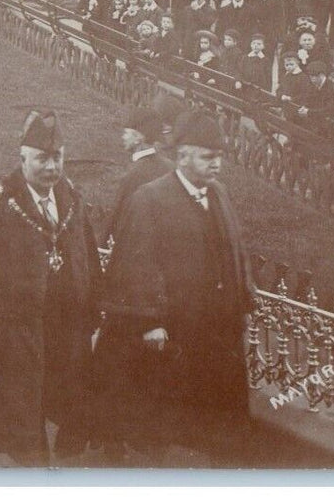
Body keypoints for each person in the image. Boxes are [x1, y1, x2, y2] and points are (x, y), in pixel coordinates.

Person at [98, 110, 256, 465]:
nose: (216, 165)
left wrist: (243, 303)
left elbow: (236, 249)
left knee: (218, 417)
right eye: (207, 157)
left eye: (219, 158)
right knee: (166, 418)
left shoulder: (218, 194)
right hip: (174, 331)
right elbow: (138, 261)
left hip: (216, 328)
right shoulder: (150, 198)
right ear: (183, 156)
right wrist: (150, 320)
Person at [0, 110, 102, 465]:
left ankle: (66, 453)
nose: (51, 167)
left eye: (57, 158)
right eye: (42, 159)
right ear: (23, 159)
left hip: (66, 322)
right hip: (20, 325)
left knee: (68, 389)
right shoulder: (0, 206)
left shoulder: (71, 201)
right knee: (23, 399)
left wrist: (92, 315)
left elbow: (87, 257)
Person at [105, 107, 175, 240]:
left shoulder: (133, 174)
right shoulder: (170, 166)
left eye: (126, 133)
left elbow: (116, 216)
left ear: (138, 138)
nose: (123, 137)